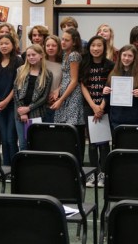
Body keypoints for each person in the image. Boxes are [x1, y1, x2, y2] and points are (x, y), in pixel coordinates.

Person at [80, 35, 114, 188]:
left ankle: (104, 175)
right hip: (89, 106)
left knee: (104, 143)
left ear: (104, 47)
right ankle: (93, 174)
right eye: (93, 45)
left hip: (105, 106)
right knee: (93, 143)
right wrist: (93, 106)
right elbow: (83, 86)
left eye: (99, 45)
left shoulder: (110, 65)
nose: (95, 48)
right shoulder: (84, 63)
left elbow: (111, 86)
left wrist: (101, 106)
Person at [51, 28, 86, 158]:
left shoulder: (74, 55)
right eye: (62, 39)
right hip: (65, 92)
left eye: (66, 40)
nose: (63, 42)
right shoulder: (66, 54)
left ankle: (77, 163)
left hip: (72, 96)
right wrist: (58, 89)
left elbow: (74, 80)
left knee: (73, 130)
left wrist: (61, 99)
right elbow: (66, 77)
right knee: (64, 131)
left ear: (75, 42)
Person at [0, 34, 23, 165]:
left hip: (11, 105)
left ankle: (14, 168)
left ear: (13, 45)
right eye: (1, 44)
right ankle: (6, 167)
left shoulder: (18, 61)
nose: (4, 46)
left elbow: (17, 85)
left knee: (10, 138)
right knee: (3, 138)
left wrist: (6, 101)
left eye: (6, 43)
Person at [13, 44, 52, 150]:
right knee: (23, 143)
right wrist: (23, 111)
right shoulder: (20, 70)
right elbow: (16, 92)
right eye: (28, 55)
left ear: (41, 56)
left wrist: (29, 108)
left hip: (37, 112)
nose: (31, 57)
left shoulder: (47, 74)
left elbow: (44, 97)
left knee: (36, 143)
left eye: (33, 55)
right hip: (20, 113)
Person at [104, 45, 138, 131]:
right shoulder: (113, 74)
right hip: (117, 119)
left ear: (134, 58)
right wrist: (105, 92)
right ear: (120, 56)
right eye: (124, 55)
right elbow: (107, 99)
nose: (126, 58)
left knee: (133, 144)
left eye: (130, 56)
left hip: (135, 119)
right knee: (118, 144)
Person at [43, 35, 62, 123]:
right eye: (48, 45)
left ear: (58, 47)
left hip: (57, 102)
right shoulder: (40, 63)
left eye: (54, 46)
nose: (50, 48)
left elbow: (67, 81)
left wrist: (58, 90)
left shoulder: (63, 64)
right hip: (41, 103)